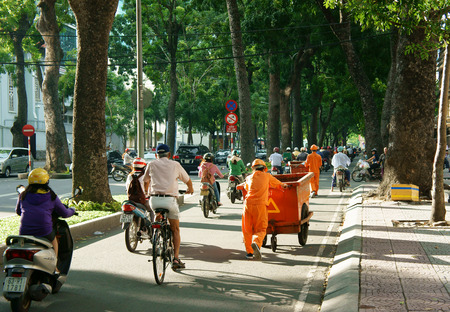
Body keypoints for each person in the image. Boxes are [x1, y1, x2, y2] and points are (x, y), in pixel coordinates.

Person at [143, 143, 194, 270]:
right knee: (175, 229)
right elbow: (187, 179)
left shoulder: (151, 164)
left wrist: (146, 192)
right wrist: (190, 189)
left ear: (156, 155)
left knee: (157, 215)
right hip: (169, 200)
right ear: (169, 155)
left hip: (154, 200)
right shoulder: (175, 164)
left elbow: (145, 181)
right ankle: (176, 258)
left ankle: (157, 235)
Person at [16, 168, 76, 272]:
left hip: (24, 232)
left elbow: (18, 211)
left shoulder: (23, 195)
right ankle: (55, 266)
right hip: (44, 232)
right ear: (47, 181)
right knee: (55, 241)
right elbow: (65, 213)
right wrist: (73, 210)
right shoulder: (51, 196)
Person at [237, 159, 289, 260]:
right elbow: (279, 184)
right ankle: (256, 242)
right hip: (260, 205)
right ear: (264, 168)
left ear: (253, 169)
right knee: (261, 228)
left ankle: (249, 253)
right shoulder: (267, 176)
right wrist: (284, 185)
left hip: (247, 205)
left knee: (247, 229)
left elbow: (247, 188)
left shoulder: (249, 178)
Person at [125, 157, 154, 222]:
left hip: (131, 200)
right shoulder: (146, 176)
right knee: (152, 210)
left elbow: (127, 187)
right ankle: (153, 227)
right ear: (144, 166)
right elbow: (151, 188)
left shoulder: (130, 176)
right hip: (144, 201)